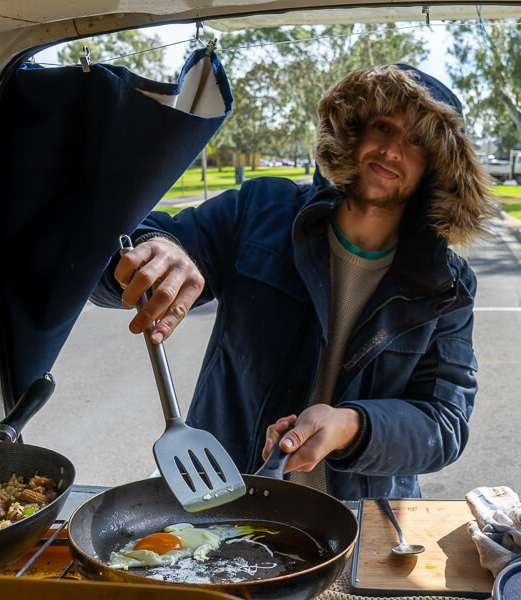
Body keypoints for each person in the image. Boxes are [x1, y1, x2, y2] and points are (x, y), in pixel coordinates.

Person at [92, 64, 495, 500]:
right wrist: (153, 249)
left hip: (363, 521)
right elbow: (113, 260)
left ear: (438, 163)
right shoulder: (260, 211)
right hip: (224, 497)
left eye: (416, 139)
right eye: (382, 125)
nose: (393, 149)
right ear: (354, 129)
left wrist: (353, 426)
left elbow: (445, 423)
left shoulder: (447, 286)